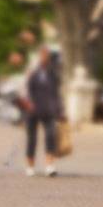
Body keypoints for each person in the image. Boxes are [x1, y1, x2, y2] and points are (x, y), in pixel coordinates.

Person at [22, 46, 64, 177]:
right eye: (43, 55)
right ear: (39, 57)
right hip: (33, 109)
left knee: (50, 136)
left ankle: (49, 165)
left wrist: (60, 110)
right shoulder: (33, 72)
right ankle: (30, 166)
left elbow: (57, 93)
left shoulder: (54, 74)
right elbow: (27, 91)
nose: (45, 58)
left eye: (47, 55)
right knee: (31, 138)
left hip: (49, 109)